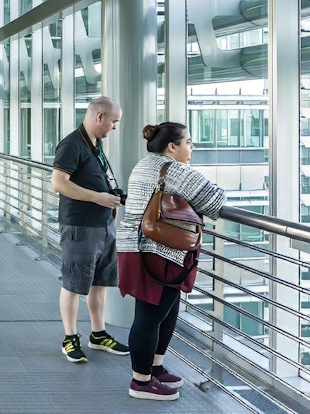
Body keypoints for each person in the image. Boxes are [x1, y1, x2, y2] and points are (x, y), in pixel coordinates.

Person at [118, 122, 224, 401]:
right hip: (158, 251)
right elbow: (214, 202)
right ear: (172, 147)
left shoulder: (145, 164)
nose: (192, 147)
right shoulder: (174, 169)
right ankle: (141, 381)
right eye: (188, 142)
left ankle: (154, 368)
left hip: (140, 247)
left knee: (165, 311)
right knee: (150, 316)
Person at [52, 95, 130, 363]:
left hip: (103, 225)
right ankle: (70, 338)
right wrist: (98, 197)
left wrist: (108, 198)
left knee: (100, 284)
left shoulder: (94, 143)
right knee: (73, 284)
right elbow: (59, 183)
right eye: (114, 122)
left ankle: (98, 334)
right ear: (100, 117)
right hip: (80, 226)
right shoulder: (72, 144)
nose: (114, 127)